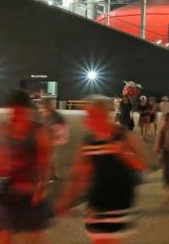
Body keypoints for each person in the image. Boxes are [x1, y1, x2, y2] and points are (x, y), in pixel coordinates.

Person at [57, 96, 149, 243]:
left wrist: (123, 153)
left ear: (105, 115)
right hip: (97, 203)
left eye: (92, 116)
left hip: (119, 202)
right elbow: (80, 173)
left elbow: (143, 166)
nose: (87, 121)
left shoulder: (123, 135)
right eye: (87, 116)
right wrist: (66, 199)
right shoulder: (89, 141)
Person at [0, 91, 53, 243]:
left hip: (31, 194)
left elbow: (44, 163)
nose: (14, 115)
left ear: (27, 110)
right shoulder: (5, 128)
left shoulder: (38, 131)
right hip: (6, 192)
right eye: (11, 111)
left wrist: (40, 189)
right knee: (1, 238)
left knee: (32, 238)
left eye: (18, 111)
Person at [40, 97, 69, 182]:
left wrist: (57, 137)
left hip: (54, 140)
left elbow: (61, 129)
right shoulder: (47, 114)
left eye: (47, 105)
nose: (45, 107)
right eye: (45, 105)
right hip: (49, 139)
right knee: (49, 157)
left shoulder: (55, 115)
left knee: (49, 158)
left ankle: (52, 175)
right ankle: (52, 175)